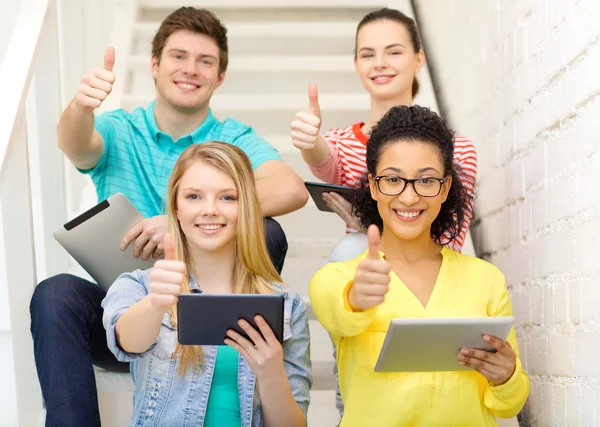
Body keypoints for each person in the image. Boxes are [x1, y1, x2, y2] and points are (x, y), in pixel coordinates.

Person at [30, 7, 307, 427]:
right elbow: (76, 143)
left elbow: (290, 188)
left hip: (218, 309)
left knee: (268, 230)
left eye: (205, 61)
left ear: (220, 76)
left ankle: (244, 330)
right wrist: (80, 107)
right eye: (179, 56)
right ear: (155, 65)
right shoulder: (121, 129)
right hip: (133, 315)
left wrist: (176, 220)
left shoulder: (234, 140)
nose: (191, 69)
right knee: (55, 293)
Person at [309, 105, 529, 427]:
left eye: (426, 180)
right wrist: (356, 297)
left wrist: (507, 376)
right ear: (372, 185)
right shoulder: (338, 278)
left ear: (445, 188)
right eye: (393, 179)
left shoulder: (486, 279)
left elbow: (509, 405)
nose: (409, 197)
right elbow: (337, 310)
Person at [102, 142, 311, 426]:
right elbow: (127, 342)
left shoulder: (287, 305)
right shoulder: (139, 286)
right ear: (175, 207)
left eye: (227, 198)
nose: (210, 210)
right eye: (193, 197)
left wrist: (271, 374)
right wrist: (155, 303)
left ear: (247, 207)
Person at [290, 7, 476, 261]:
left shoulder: (458, 148)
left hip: (433, 278)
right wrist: (309, 141)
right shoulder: (343, 143)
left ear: (419, 59)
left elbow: (449, 244)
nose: (379, 63)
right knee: (353, 248)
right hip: (369, 271)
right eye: (368, 55)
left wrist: (371, 227)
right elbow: (325, 159)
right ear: (356, 65)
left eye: (394, 52)